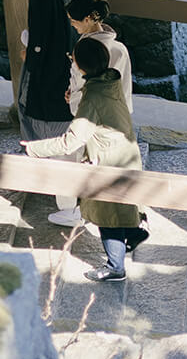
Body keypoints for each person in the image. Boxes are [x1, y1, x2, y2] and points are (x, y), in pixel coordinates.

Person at [22, 36, 147, 282]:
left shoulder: (92, 99)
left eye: (73, 59)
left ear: (79, 66)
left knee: (107, 216)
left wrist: (34, 149)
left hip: (107, 162)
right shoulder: (110, 80)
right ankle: (133, 234)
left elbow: (70, 141)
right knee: (122, 206)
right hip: (125, 153)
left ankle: (115, 267)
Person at [4, 0, 78, 225]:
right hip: (62, 62)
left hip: (50, 71)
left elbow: (43, 34)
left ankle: (68, 205)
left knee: (53, 132)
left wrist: (32, 55)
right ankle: (65, 195)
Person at [65, 0, 132, 115]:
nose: (71, 24)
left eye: (73, 21)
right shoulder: (120, 49)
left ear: (87, 19)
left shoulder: (89, 50)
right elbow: (125, 88)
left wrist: (74, 96)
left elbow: (85, 84)